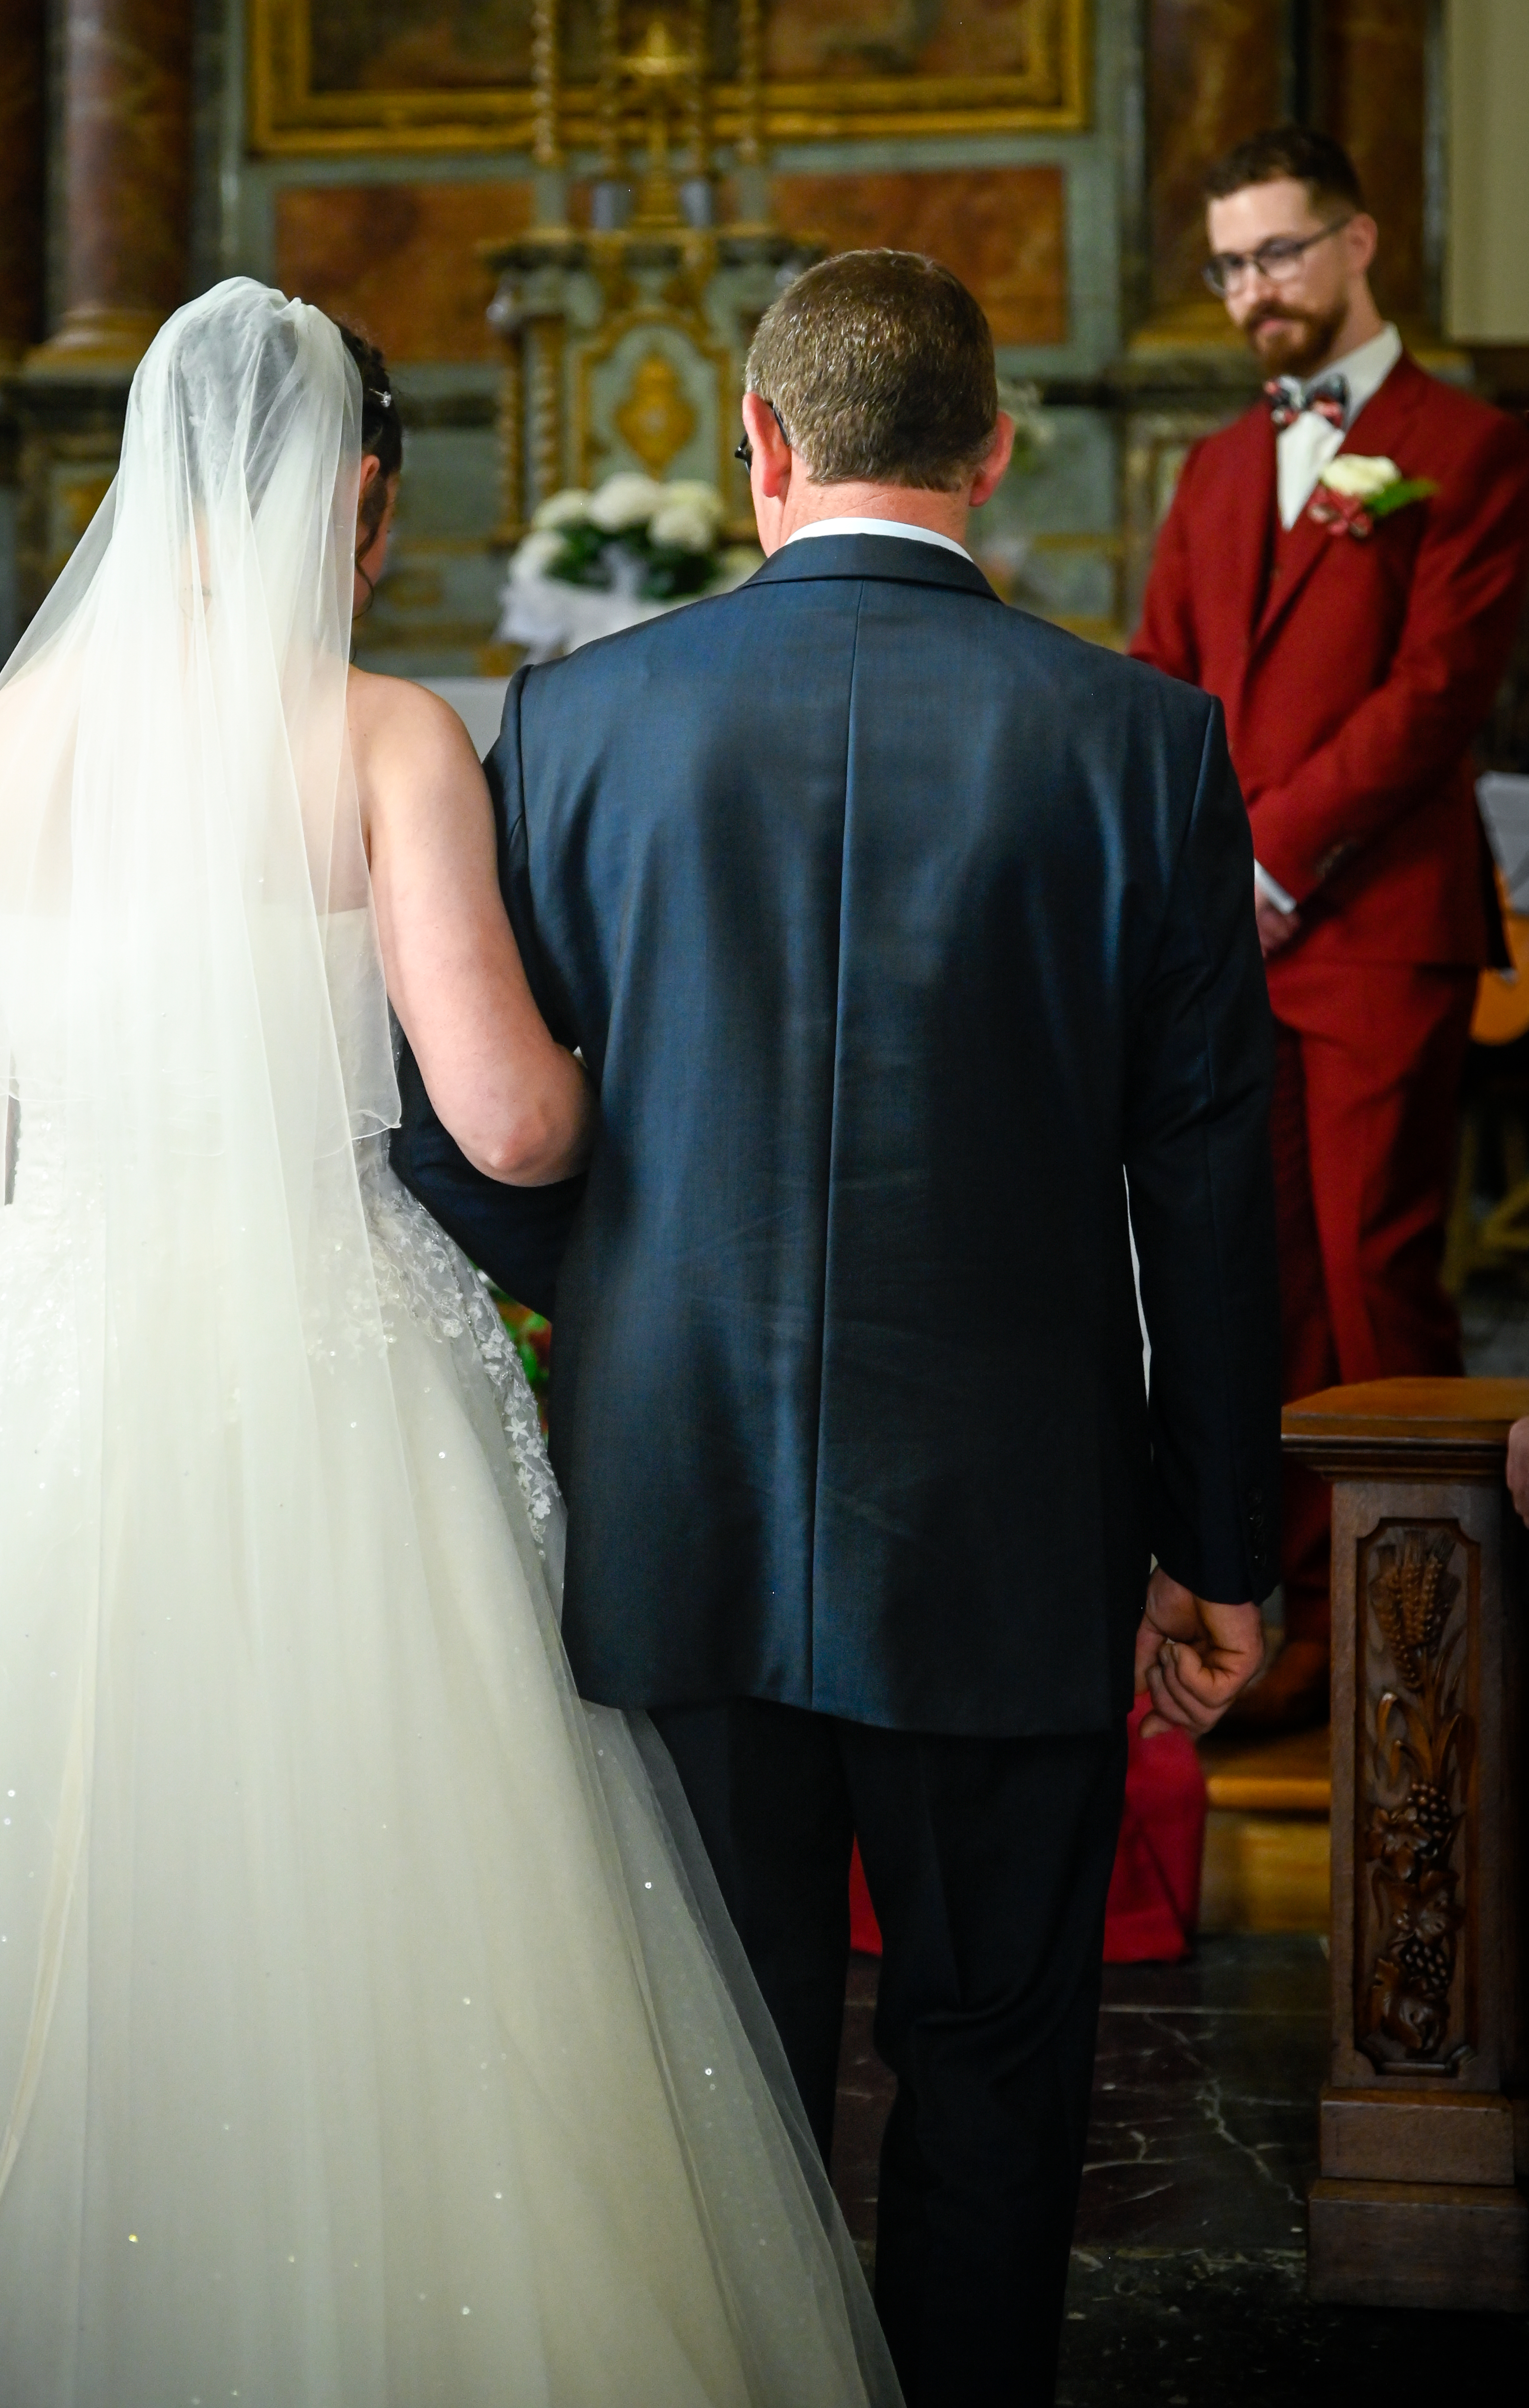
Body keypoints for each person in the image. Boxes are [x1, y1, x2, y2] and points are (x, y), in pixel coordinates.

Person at [0, 283, 894, 2408]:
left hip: (34, 1357)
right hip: (323, 1358)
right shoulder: (382, 735)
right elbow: (508, 1120)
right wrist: (637, 1067)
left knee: (13, 1891)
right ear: (355, 498)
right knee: (366, 1868)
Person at [393, 246, 1283, 2408]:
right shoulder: (1144, 742)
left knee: (713, 2068)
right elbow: (1207, 1190)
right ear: (994, 448)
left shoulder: (575, 721)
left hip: (673, 1499)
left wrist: (635, 1306)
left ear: (758, 445)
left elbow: (448, 1141)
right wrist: (1219, 1545)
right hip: (1012, 1518)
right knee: (996, 2053)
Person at [1131, 128, 1529, 1729]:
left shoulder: (1466, 446)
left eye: (1279, 252)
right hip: (1228, 940)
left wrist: (1273, 856)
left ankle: (1435, 1627)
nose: (1253, 290)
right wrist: (1192, 870)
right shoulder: (1218, 466)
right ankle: (1305, 1614)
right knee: (1262, 1277)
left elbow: (1437, 693)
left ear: (1357, 243)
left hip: (1374, 924)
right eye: (1229, 264)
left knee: (1375, 1266)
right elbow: (1160, 680)